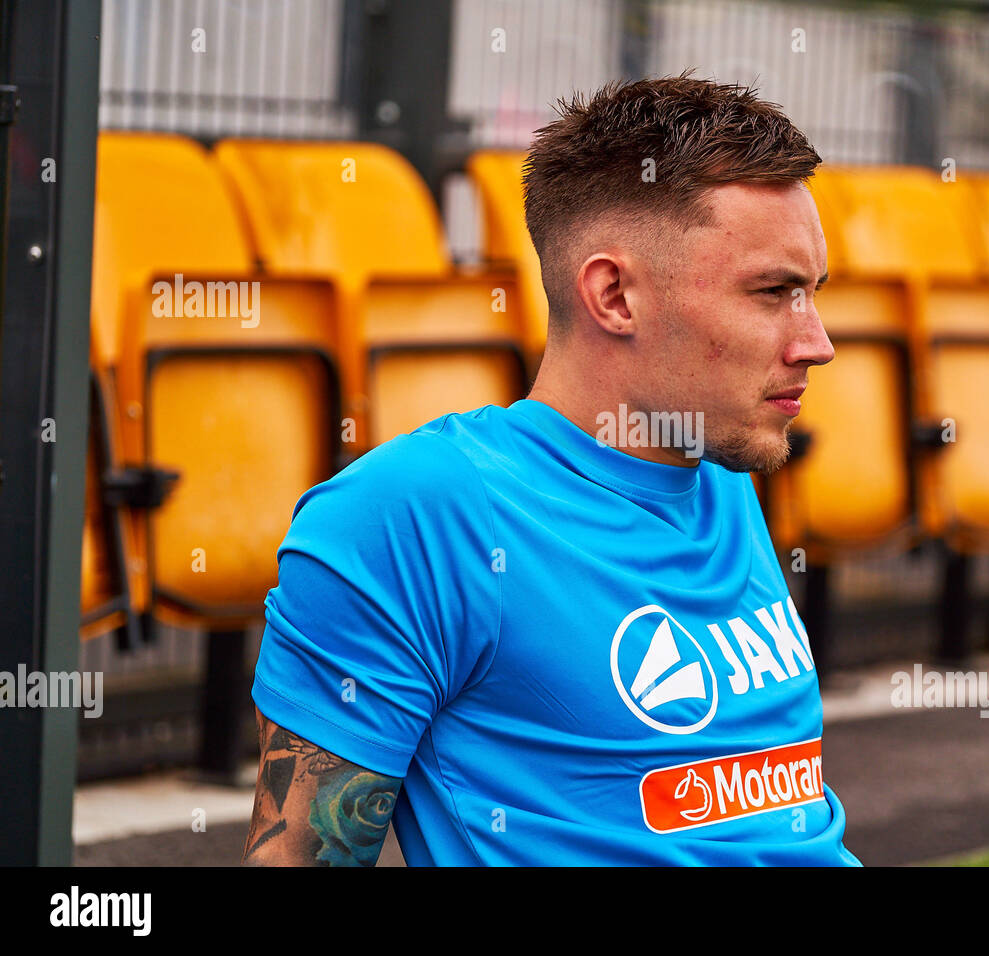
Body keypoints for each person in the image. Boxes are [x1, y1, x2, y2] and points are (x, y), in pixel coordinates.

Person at [242, 71, 858, 866]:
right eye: (774, 292)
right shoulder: (416, 512)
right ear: (614, 297)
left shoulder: (719, 471)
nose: (817, 342)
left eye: (813, 292)